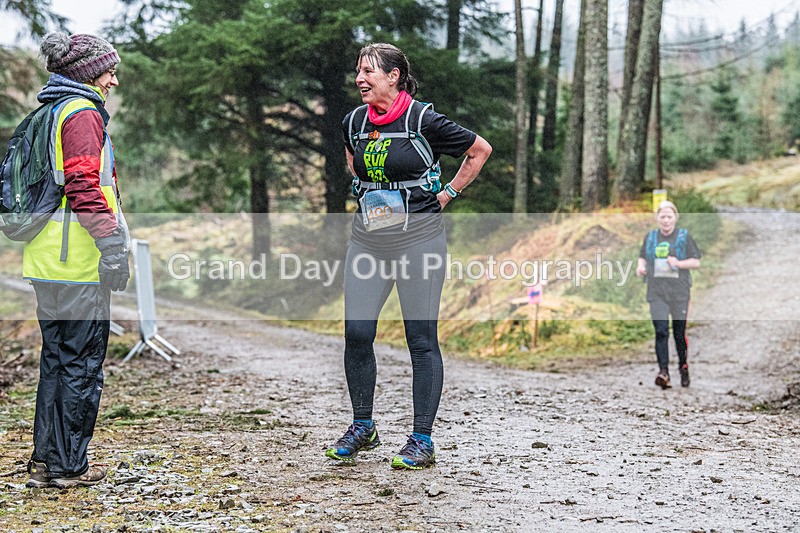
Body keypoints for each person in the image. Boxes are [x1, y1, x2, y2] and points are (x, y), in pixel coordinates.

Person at [325, 43, 492, 469]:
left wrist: (448, 193)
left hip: (419, 240)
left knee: (420, 341)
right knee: (357, 334)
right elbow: (352, 158)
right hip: (368, 242)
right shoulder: (354, 122)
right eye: (358, 71)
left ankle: (422, 439)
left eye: (369, 72)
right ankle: (364, 426)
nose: (360, 79)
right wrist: (372, 190)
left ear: (394, 75)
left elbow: (480, 150)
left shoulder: (422, 119)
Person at [24, 32, 130, 488]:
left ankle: (48, 461)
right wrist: (111, 244)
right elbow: (84, 186)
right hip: (78, 260)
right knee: (82, 363)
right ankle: (68, 468)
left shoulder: (47, 111)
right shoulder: (81, 113)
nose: (114, 80)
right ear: (88, 73)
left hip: (46, 258)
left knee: (56, 360)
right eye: (109, 70)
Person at [636, 201, 701, 389]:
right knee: (661, 331)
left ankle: (683, 366)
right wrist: (641, 267)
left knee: (679, 334)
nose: (665, 221)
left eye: (669, 217)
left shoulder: (684, 237)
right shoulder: (650, 237)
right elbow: (642, 257)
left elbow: (696, 262)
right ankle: (663, 372)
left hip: (680, 291)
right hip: (656, 291)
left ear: (675, 218)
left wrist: (679, 264)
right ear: (657, 219)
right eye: (662, 217)